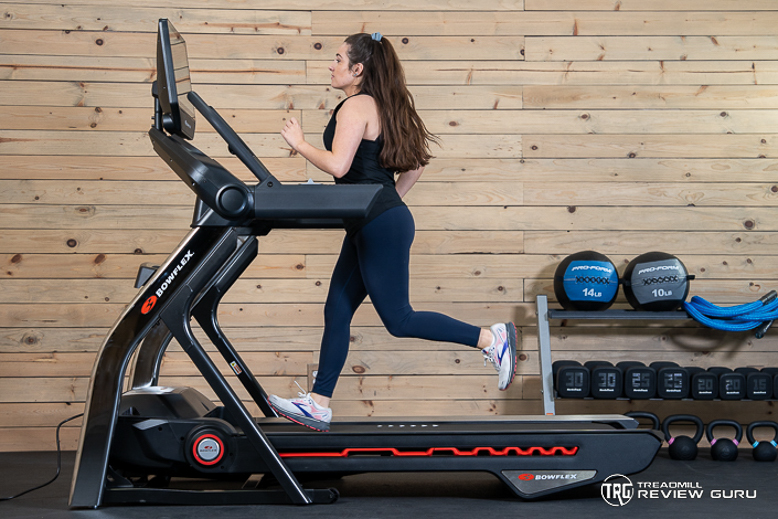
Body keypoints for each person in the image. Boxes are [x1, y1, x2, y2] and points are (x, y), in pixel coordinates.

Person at [269, 32, 517, 432]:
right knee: (337, 309)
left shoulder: (357, 105)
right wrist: (387, 203)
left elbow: (338, 166)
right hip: (377, 220)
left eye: (337, 59)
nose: (330, 66)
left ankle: (492, 339)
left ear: (358, 69)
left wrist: (299, 144)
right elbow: (416, 165)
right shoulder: (386, 106)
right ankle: (318, 403)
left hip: (379, 223)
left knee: (399, 319)